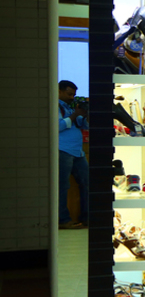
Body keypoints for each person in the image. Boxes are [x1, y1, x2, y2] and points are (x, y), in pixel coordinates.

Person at [58, 80, 89, 229]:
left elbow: (84, 125)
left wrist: (85, 114)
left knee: (88, 183)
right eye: (69, 94)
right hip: (62, 150)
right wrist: (74, 114)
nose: (72, 97)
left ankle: (87, 217)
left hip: (78, 152)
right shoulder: (55, 106)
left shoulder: (70, 107)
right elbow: (56, 126)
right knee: (62, 186)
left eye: (73, 95)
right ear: (59, 91)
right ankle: (63, 220)